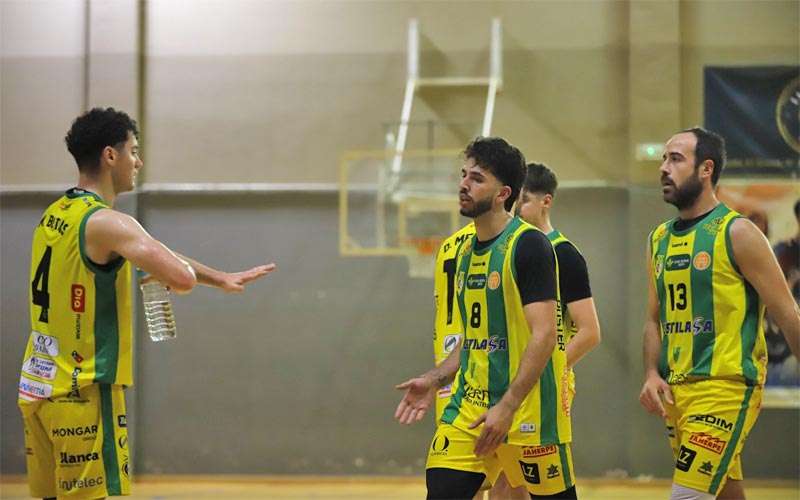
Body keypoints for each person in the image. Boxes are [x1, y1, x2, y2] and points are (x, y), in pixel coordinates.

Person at [17, 107, 275, 499]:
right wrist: (182, 276)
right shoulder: (110, 222)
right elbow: (179, 276)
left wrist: (219, 277)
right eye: (133, 150)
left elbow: (154, 253)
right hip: (86, 390)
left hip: (39, 388)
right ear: (110, 155)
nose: (138, 161)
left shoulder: (57, 214)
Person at [396, 137, 575, 499]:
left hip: (528, 412)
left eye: (476, 178)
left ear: (502, 193)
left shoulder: (529, 246)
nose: (463, 184)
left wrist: (507, 406)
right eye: (464, 175)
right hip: (468, 408)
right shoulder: (462, 252)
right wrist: (433, 379)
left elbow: (545, 335)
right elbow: (475, 339)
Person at [638, 127, 800, 500]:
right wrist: (650, 372)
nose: (664, 168)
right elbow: (653, 318)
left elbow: (788, 312)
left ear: (706, 169)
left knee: (687, 496)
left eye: (675, 159)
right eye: (663, 158)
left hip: (726, 386)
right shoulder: (659, 239)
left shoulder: (738, 232)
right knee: (727, 492)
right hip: (679, 393)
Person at [514, 162, 602, 495]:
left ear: (546, 201)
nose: (517, 208)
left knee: (547, 485)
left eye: (523, 200)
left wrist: (545, 369)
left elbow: (590, 331)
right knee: (508, 480)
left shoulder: (564, 255)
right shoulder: (509, 250)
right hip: (504, 382)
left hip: (544, 388)